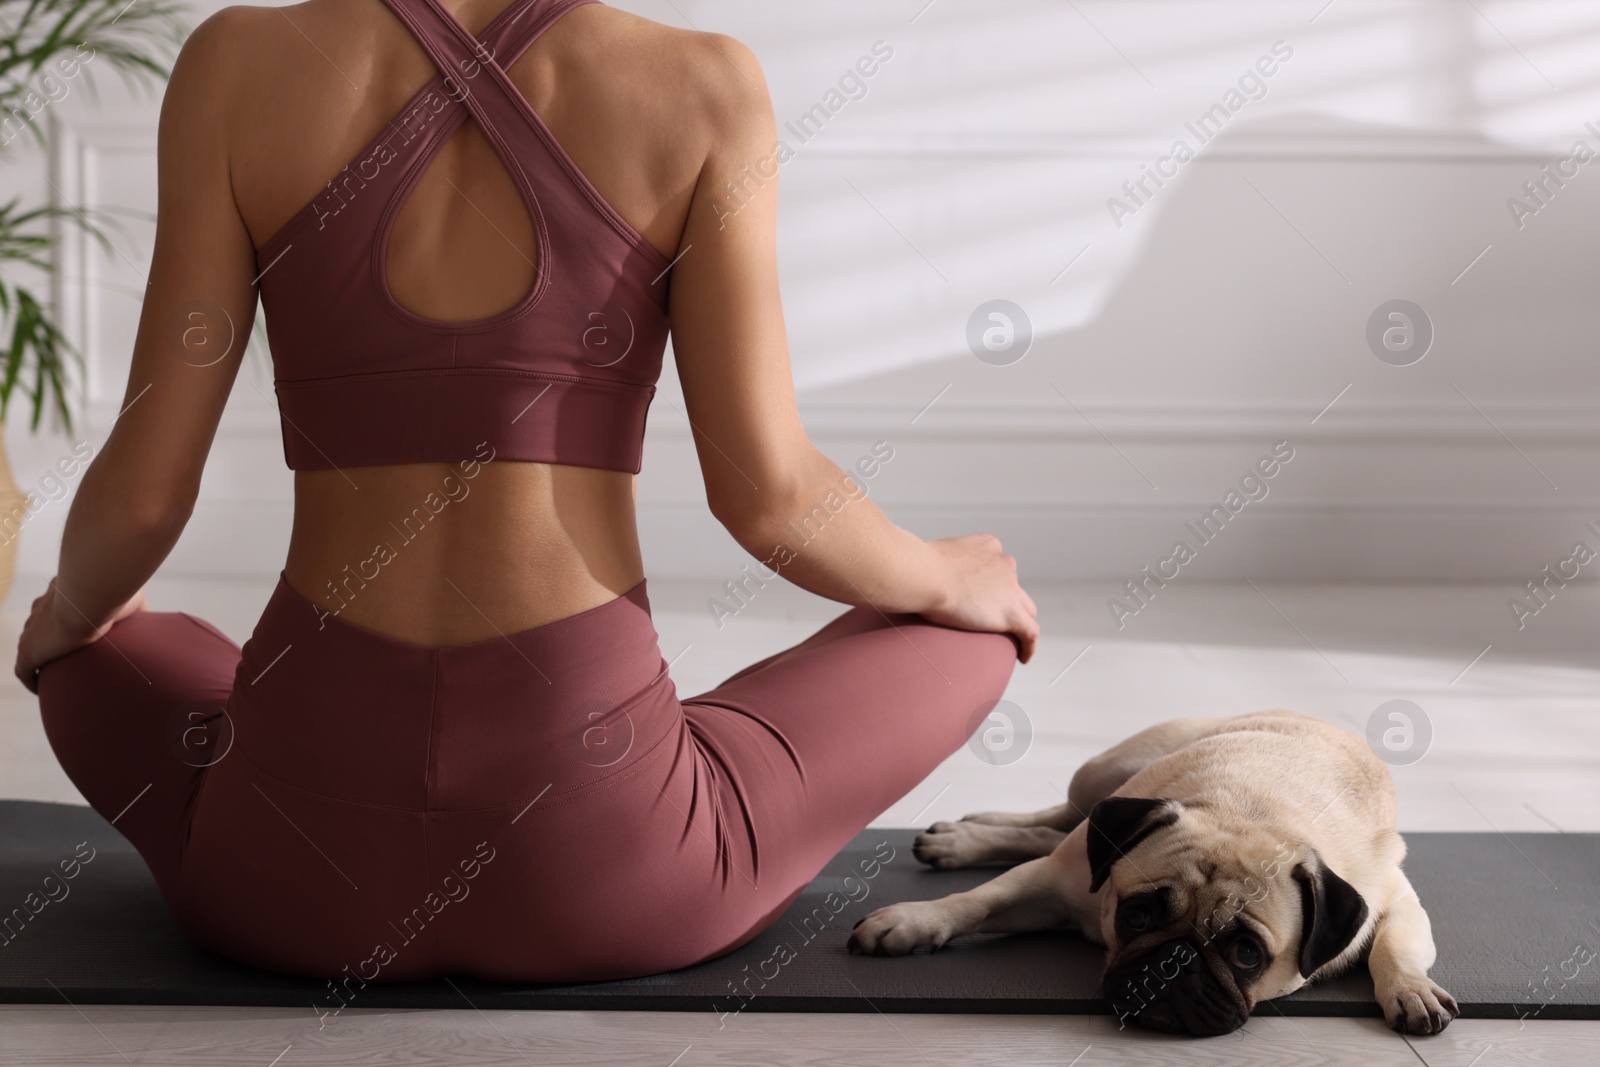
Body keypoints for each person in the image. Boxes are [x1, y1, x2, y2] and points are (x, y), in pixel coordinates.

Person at [14, 0, 1037, 983]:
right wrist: (945, 575)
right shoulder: (703, 85)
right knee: (973, 631)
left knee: (109, 644)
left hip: (286, 880)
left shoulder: (234, 63)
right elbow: (771, 500)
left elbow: (145, 500)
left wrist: (68, 614)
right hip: (612, 869)